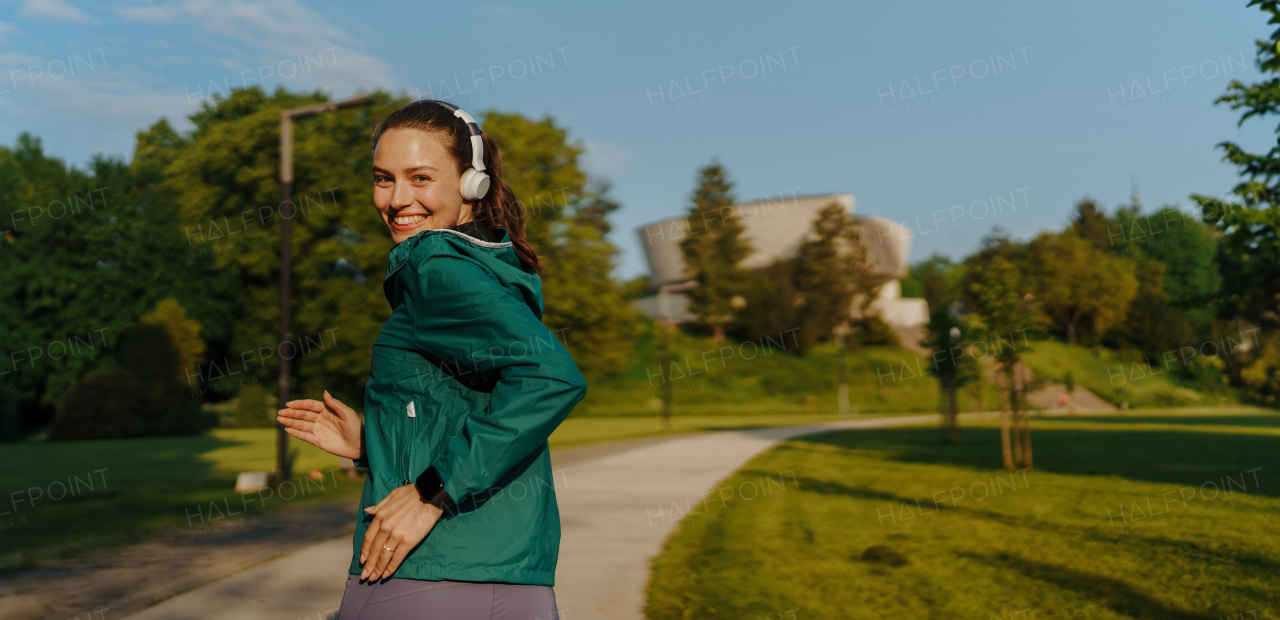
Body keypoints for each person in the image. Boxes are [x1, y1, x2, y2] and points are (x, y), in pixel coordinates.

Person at [275, 99, 587, 619]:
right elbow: (471, 406)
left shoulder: (433, 267)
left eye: (420, 178)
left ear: (472, 183)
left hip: (424, 574)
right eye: (383, 178)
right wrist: (371, 445)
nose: (397, 199)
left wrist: (430, 493)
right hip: (512, 577)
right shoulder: (486, 267)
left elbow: (550, 376)